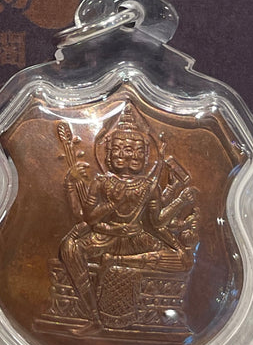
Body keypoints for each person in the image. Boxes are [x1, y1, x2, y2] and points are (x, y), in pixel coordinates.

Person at [58, 101, 197, 332]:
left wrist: (181, 201)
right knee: (70, 247)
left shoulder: (149, 186)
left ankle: (120, 262)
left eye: (135, 151)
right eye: (120, 150)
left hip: (137, 239)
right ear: (108, 153)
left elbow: (157, 221)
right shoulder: (102, 182)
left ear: (145, 155)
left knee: (184, 259)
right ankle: (92, 314)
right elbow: (89, 218)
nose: (127, 156)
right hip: (104, 238)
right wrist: (106, 203)